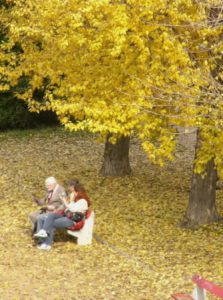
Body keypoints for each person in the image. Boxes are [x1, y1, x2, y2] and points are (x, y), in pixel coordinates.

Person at [34, 179, 91, 250]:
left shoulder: (83, 201)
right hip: (65, 215)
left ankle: (47, 244)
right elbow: (68, 208)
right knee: (50, 216)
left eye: (74, 192)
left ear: (79, 192)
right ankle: (43, 234)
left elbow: (72, 209)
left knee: (51, 223)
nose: (73, 193)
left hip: (72, 220)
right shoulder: (74, 198)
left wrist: (64, 201)